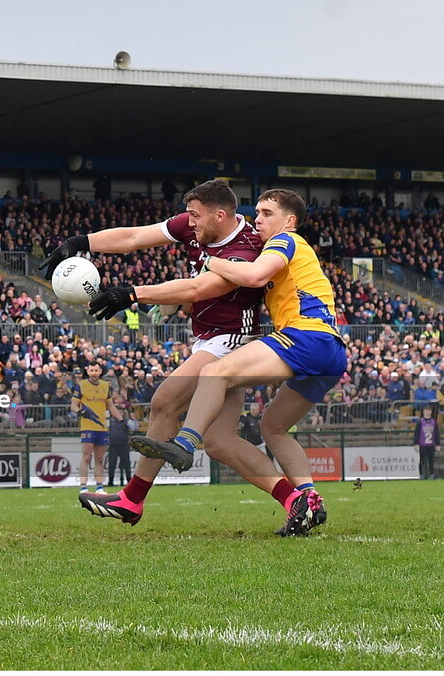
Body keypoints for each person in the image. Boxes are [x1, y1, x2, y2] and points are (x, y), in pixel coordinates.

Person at [45, 180, 300, 531]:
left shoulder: (247, 248)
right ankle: (295, 498)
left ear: (220, 215)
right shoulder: (196, 225)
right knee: (220, 442)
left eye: (195, 216)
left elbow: (199, 288)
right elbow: (134, 238)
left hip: (232, 340)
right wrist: (81, 243)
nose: (189, 223)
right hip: (210, 340)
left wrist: (131, 294)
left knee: (165, 401)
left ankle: (132, 499)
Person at [128, 188, 347, 536]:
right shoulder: (286, 248)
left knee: (215, 371)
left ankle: (184, 444)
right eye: (256, 213)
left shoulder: (284, 240)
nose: (257, 219)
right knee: (273, 427)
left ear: (288, 221)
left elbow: (254, 276)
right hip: (331, 351)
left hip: (307, 337)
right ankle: (308, 500)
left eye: (266, 213)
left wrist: (207, 258)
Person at [71, 363, 120, 493]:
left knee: (99, 458)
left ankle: (99, 486)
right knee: (86, 457)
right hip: (87, 427)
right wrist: (81, 412)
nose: (93, 372)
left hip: (102, 427)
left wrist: (121, 420)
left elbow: (111, 406)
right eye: (91, 370)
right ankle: (83, 486)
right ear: (88, 371)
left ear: (100, 372)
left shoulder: (105, 386)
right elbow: (74, 405)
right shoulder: (81, 385)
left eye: (96, 370)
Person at [107, 390, 135, 487]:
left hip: (123, 445)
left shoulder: (126, 421)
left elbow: (134, 427)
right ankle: (110, 481)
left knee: (126, 465)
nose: (119, 413)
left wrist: (133, 419)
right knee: (112, 465)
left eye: (121, 412)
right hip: (113, 446)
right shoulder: (110, 421)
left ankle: (129, 481)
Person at [414, 407, 439, 480]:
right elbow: (417, 433)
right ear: (423, 411)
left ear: (431, 412)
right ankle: (421, 475)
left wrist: (437, 444)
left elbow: (436, 433)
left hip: (431, 445)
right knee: (421, 460)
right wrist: (416, 443)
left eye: (429, 410)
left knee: (431, 460)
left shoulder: (434, 422)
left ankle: (431, 474)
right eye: (426, 410)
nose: (427, 412)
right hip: (422, 444)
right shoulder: (420, 422)